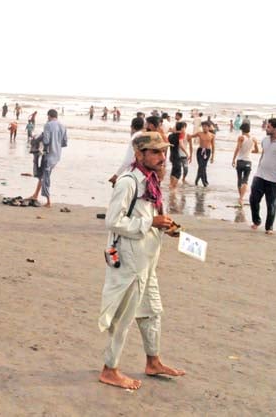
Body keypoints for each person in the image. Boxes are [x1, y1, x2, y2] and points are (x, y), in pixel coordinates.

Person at [98, 132, 185, 390]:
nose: (162, 157)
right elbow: (113, 221)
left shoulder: (152, 181)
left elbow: (148, 215)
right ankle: (109, 369)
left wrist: (165, 226)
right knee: (124, 317)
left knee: (152, 312)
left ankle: (153, 361)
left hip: (148, 260)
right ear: (139, 155)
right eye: (156, 152)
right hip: (131, 261)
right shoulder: (128, 182)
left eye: (164, 152)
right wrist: (151, 222)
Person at [249, 118, 276, 234]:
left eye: (268, 127)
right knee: (253, 199)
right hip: (260, 176)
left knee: (271, 204)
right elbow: (263, 155)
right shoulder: (265, 140)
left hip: (274, 179)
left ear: (275, 129)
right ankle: (256, 221)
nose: (266, 128)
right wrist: (258, 169)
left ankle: (269, 228)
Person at [28, 109, 67, 207]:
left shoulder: (48, 125)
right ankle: (35, 195)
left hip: (49, 155)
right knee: (42, 176)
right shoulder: (63, 126)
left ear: (49, 116)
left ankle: (48, 201)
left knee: (45, 176)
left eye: (47, 117)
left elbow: (46, 141)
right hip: (57, 155)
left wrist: (38, 139)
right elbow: (64, 143)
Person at [108, 117, 144, 187]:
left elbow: (128, 160)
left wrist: (116, 175)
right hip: (143, 173)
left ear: (132, 126)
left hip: (134, 173)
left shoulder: (134, 138)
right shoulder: (145, 136)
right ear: (143, 126)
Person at [231, 122, 259, 206]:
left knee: (239, 179)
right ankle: (241, 198)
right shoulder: (254, 138)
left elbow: (238, 148)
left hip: (240, 161)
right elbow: (257, 151)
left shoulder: (241, 137)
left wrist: (233, 159)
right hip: (248, 161)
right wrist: (249, 151)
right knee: (245, 180)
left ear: (242, 129)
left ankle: (240, 197)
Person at [190, 121, 215, 187]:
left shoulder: (212, 135)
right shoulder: (199, 133)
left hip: (207, 151)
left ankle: (199, 179)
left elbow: (213, 146)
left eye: (206, 126)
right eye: (203, 126)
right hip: (200, 151)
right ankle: (204, 181)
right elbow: (191, 136)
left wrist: (212, 157)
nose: (204, 128)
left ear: (209, 127)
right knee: (201, 166)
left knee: (203, 166)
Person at [168, 121, 190, 189]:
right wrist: (186, 153)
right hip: (177, 156)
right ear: (182, 128)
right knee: (178, 172)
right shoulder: (181, 135)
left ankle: (171, 184)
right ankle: (173, 187)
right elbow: (181, 144)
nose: (184, 129)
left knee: (173, 170)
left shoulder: (170, 136)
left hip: (172, 155)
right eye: (184, 127)